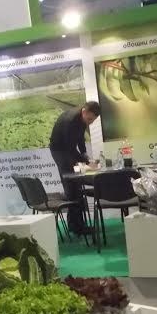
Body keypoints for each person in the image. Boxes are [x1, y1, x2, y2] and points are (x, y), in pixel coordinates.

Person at [49, 101, 101, 236]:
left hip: (67, 149)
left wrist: (85, 155)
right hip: (59, 151)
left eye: (92, 121)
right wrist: (86, 163)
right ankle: (77, 227)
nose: (90, 123)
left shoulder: (82, 118)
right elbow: (69, 149)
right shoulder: (70, 121)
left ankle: (75, 225)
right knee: (72, 187)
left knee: (76, 187)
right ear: (84, 111)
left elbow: (80, 139)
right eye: (89, 119)